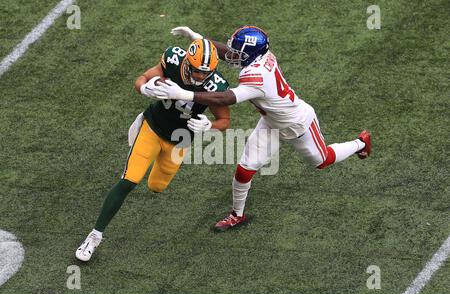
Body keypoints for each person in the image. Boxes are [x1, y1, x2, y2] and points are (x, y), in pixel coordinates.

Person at [149, 26, 372, 231]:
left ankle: (361, 142)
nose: (234, 55)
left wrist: (183, 94)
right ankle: (237, 214)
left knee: (321, 161)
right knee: (245, 168)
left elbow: (226, 98)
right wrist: (198, 39)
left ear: (251, 54)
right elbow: (227, 52)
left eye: (240, 52)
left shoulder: (257, 76)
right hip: (270, 122)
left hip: (298, 123)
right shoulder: (261, 57)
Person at [76, 39, 231, 261]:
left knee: (157, 186)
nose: (200, 76)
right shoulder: (173, 60)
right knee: (129, 180)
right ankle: (94, 235)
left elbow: (224, 120)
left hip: (181, 140)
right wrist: (145, 88)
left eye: (205, 72)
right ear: (187, 62)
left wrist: (210, 126)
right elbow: (141, 79)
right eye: (196, 71)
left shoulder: (216, 85)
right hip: (153, 127)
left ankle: (155, 178)